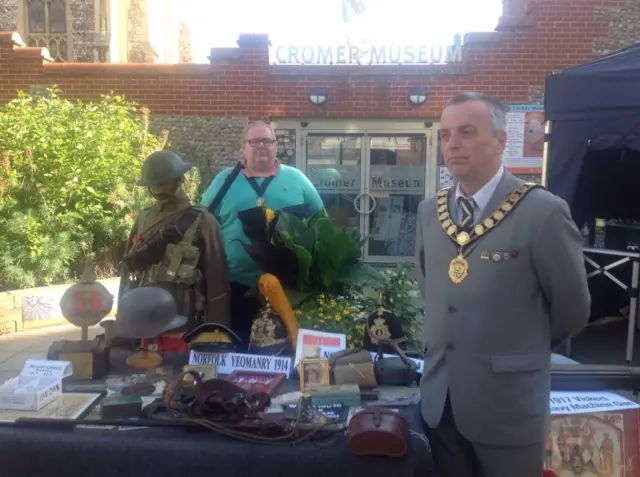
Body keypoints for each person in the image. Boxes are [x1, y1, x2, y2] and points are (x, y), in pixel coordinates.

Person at [414, 91, 590, 477]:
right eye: (445, 134)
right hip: (441, 402)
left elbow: (571, 311)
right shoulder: (430, 211)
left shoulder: (542, 213)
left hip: (507, 406)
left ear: (500, 140)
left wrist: (517, 348)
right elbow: (434, 292)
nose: (452, 144)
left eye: (466, 132)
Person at [201, 121, 324, 345]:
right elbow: (204, 224)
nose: (261, 146)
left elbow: (321, 222)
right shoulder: (224, 181)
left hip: (290, 290)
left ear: (276, 146)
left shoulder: (297, 179)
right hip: (236, 285)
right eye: (254, 141)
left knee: (285, 348)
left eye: (267, 141)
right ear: (243, 147)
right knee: (238, 347)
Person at [118, 150, 231, 334]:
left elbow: (217, 279)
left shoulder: (203, 220)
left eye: (164, 182)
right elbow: (128, 271)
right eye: (153, 184)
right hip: (142, 316)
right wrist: (122, 318)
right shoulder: (143, 218)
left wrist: (215, 330)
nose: (158, 190)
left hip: (184, 317)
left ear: (179, 180)